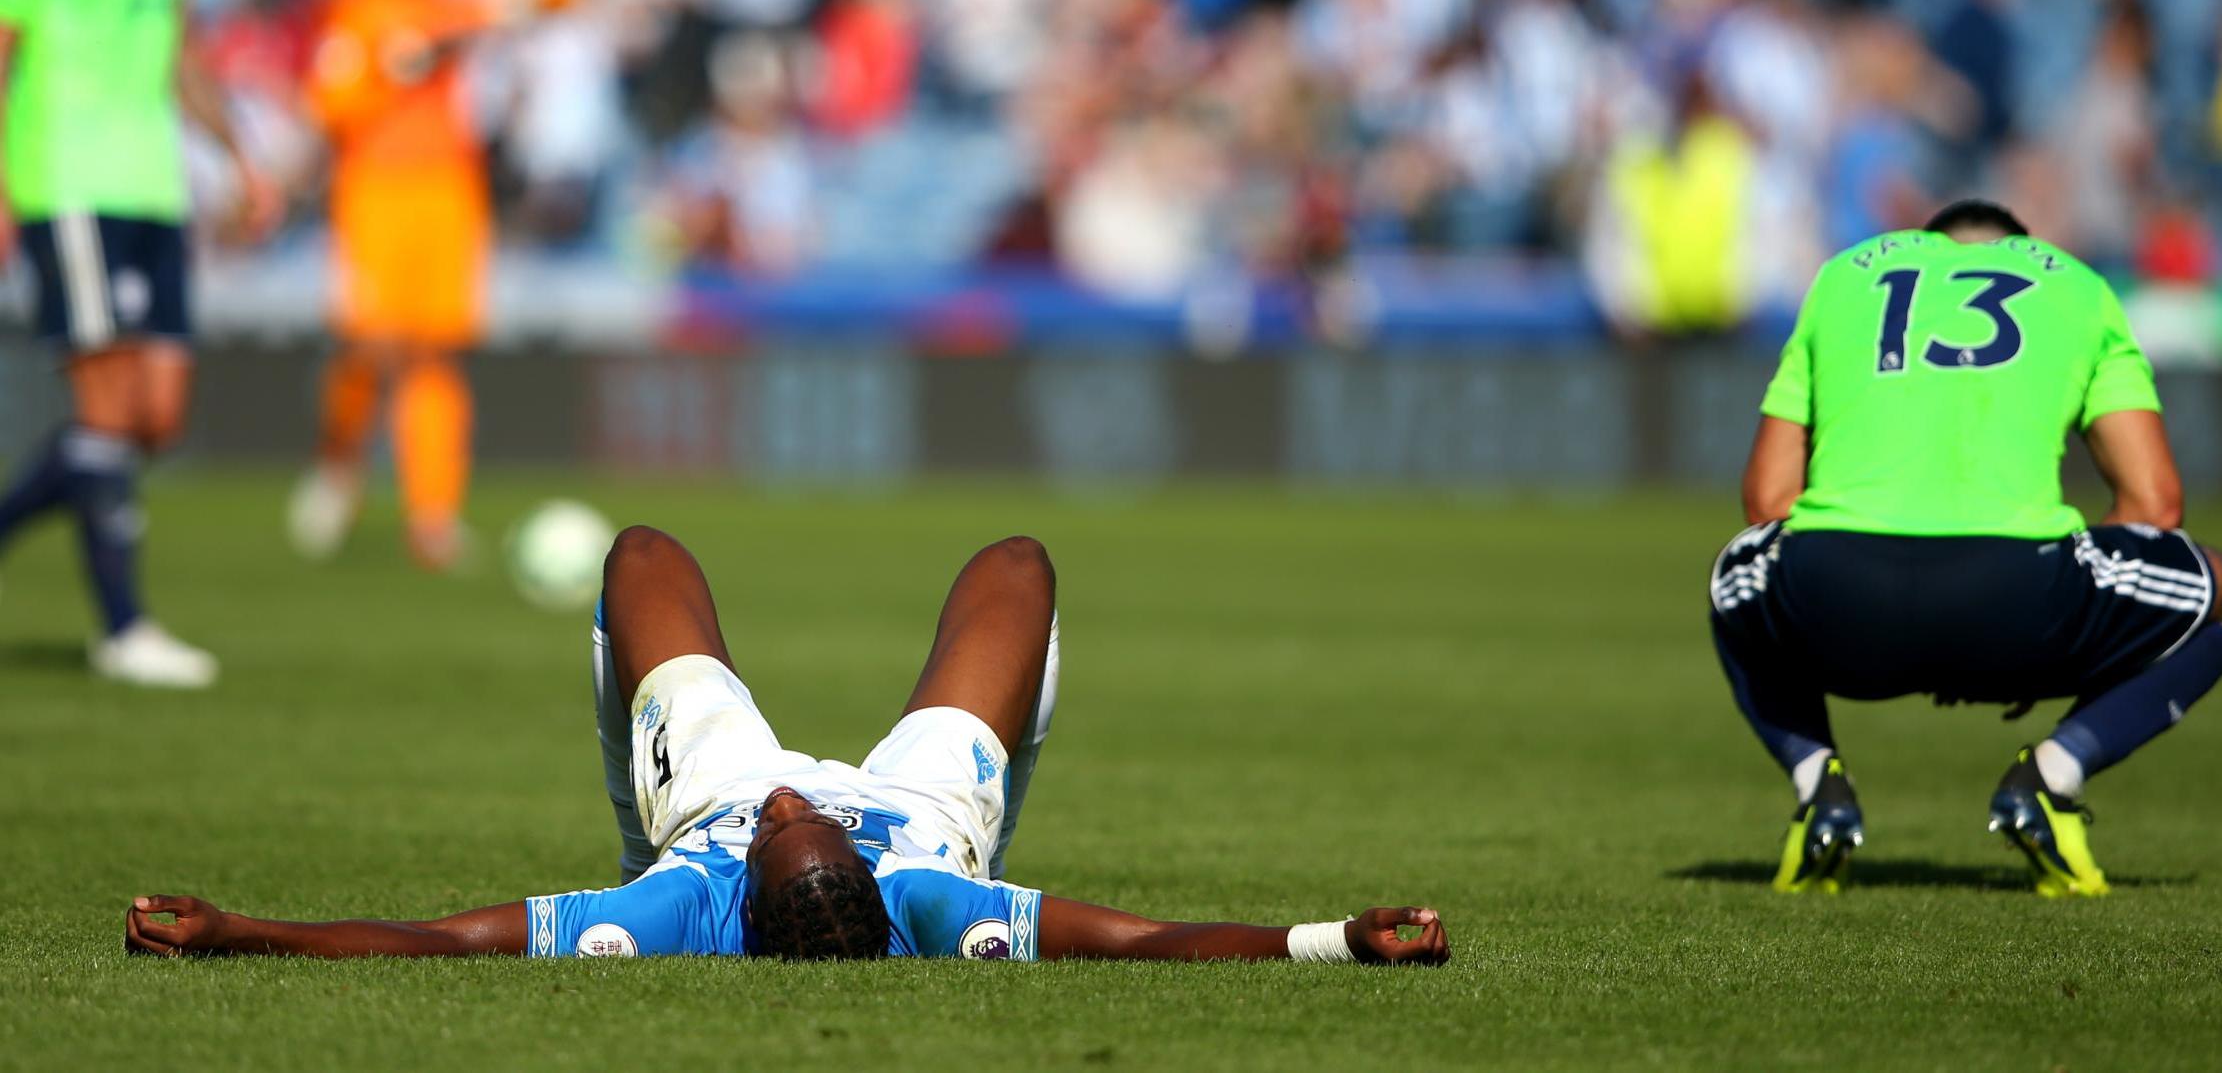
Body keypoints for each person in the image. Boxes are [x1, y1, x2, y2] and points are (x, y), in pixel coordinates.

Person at [123, 528, 1451, 965]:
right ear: (855, 874)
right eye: (793, 812)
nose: (790, 793)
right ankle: (997, 750)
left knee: (642, 556)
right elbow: (1134, 939)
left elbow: (453, 938)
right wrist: (1327, 937)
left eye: (778, 820)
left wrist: (243, 928)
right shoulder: (929, 892)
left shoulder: (684, 895)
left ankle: (639, 772)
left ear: (748, 876)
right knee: (1019, 563)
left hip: (685, 799)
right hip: (925, 803)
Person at [1713, 198, 2220, 897]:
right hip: (2021, 598)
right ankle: (2054, 773)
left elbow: (1768, 501)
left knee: (1735, 572)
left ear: (1929, 244)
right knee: (2217, 592)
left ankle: (1817, 784)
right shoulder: (2078, 286)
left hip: (1841, 599)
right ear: (2016, 246)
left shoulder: (1840, 280)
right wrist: (2057, 629)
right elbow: (2156, 505)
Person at [0, 0, 276, 688]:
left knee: (152, 415)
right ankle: (124, 627)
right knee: (107, 407)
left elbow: (180, 49)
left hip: (153, 183)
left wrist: (240, 155)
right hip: (65, 173)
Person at [286, 0, 574, 570]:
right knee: (374, 343)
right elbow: (330, 102)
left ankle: (433, 515)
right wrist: (395, 67)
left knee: (436, 353)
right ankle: (339, 462)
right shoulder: (362, 7)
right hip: (378, 187)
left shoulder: (453, 2)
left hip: (448, 190)